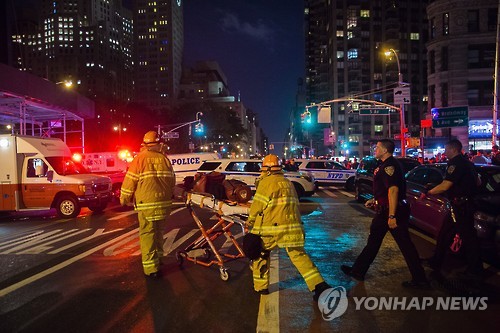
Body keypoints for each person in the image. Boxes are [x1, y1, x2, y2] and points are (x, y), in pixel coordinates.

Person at [341, 139, 428, 288]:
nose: (375, 149)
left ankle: (420, 279)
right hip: (384, 210)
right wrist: (376, 200)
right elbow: (385, 189)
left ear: (385, 150)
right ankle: (358, 271)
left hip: (392, 211)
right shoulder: (385, 165)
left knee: (405, 245)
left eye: (378, 147)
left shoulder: (390, 166)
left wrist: (392, 216)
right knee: (373, 242)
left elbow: (393, 190)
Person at [246, 154, 330, 300]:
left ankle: (261, 287)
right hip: (293, 228)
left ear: (266, 169)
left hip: (271, 230)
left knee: (261, 254)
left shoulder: (266, 183)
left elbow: (257, 207)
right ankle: (319, 286)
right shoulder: (287, 182)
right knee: (299, 256)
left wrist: (250, 222)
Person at [420, 139, 483, 279]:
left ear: (453, 150)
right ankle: (436, 261)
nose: (444, 152)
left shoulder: (455, 163)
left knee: (468, 238)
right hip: (463, 204)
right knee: (445, 234)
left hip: (461, 206)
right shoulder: (468, 163)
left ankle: (475, 270)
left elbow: (445, 185)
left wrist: (428, 193)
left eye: (446, 149)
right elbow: (478, 181)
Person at [120, 131, 176, 278]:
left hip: (146, 205)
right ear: (159, 144)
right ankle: (159, 260)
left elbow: (130, 180)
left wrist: (124, 198)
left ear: (145, 144)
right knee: (159, 233)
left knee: (147, 234)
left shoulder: (140, 159)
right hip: (163, 204)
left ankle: (151, 268)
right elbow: (172, 181)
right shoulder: (165, 159)